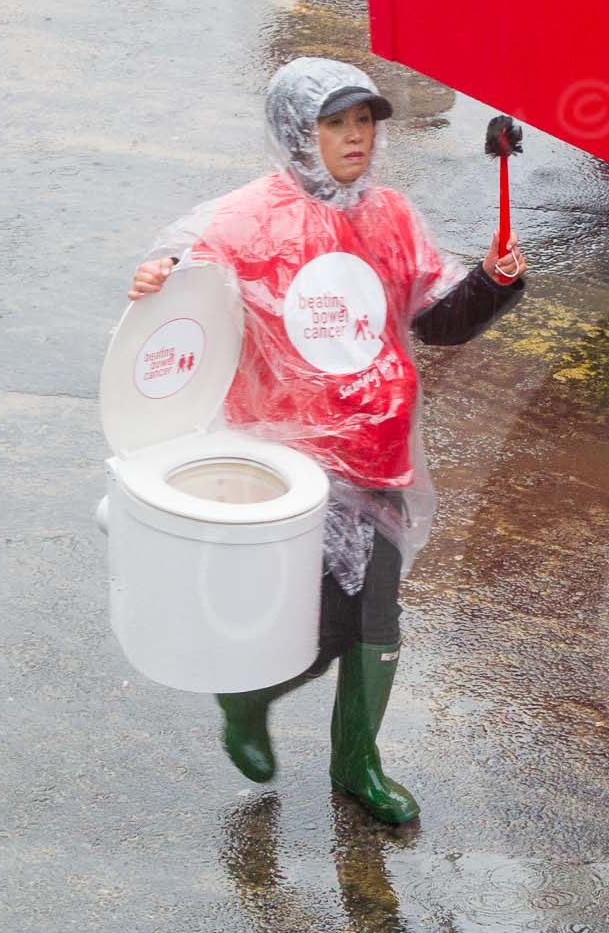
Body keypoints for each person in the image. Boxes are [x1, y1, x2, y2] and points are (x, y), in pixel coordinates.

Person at [127, 58, 527, 824]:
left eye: (365, 121)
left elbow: (436, 318)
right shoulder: (248, 219)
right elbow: (186, 288)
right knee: (316, 624)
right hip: (285, 469)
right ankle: (246, 700)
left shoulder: (391, 216)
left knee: (377, 623)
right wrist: (157, 277)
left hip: (376, 456)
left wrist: (494, 281)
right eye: (337, 123)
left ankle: (357, 764)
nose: (357, 138)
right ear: (296, 131)